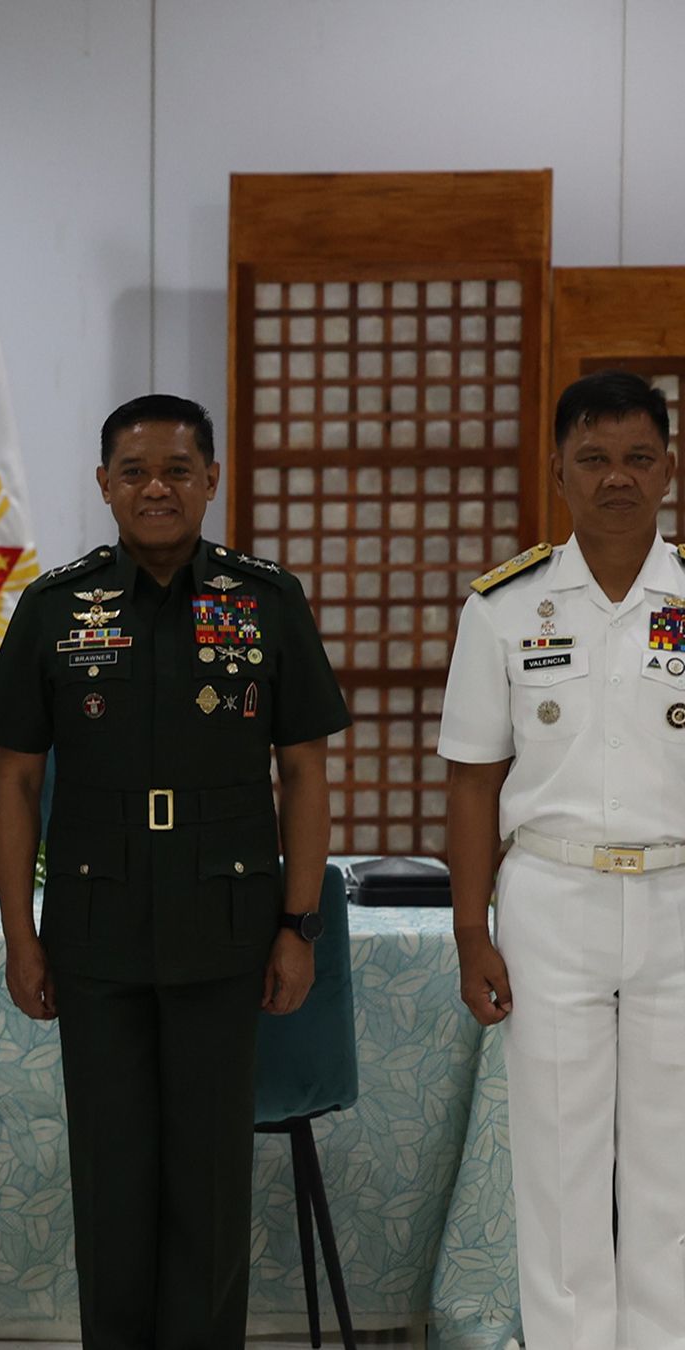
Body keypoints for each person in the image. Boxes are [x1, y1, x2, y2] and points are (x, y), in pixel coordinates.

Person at [0, 394, 345, 1348]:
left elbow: (302, 771)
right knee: (111, 1179)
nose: (156, 488)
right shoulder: (55, 608)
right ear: (103, 485)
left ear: (212, 480)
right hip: (94, 938)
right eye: (134, 471)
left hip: (226, 932)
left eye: (178, 470)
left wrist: (298, 926)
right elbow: (14, 784)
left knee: (211, 1186)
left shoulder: (268, 601)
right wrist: (21, 934)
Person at [440, 369, 685, 1349]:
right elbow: (471, 781)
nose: (616, 478)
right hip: (551, 895)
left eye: (636, 457)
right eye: (593, 458)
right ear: (558, 469)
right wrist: (470, 929)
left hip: (678, 900)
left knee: (673, 1170)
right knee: (559, 1164)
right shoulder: (506, 606)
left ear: (669, 466)